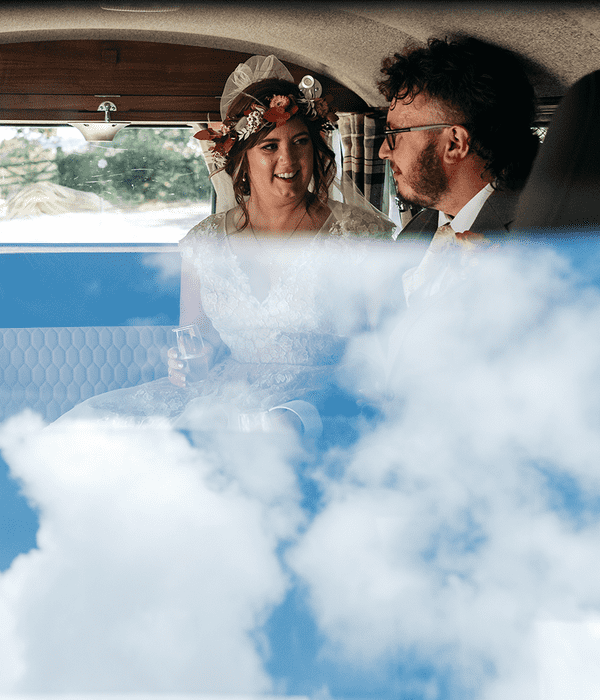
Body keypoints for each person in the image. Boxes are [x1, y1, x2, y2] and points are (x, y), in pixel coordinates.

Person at [51, 55, 395, 439]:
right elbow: (197, 340)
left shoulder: (360, 235)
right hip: (223, 397)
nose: (289, 159)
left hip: (322, 407)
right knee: (91, 433)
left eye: (301, 142)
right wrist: (188, 363)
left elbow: (381, 356)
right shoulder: (204, 242)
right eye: (269, 146)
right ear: (242, 159)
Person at [377, 36, 539, 306]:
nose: (383, 150)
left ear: (455, 144)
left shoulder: (534, 237)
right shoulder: (418, 229)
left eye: (395, 134)